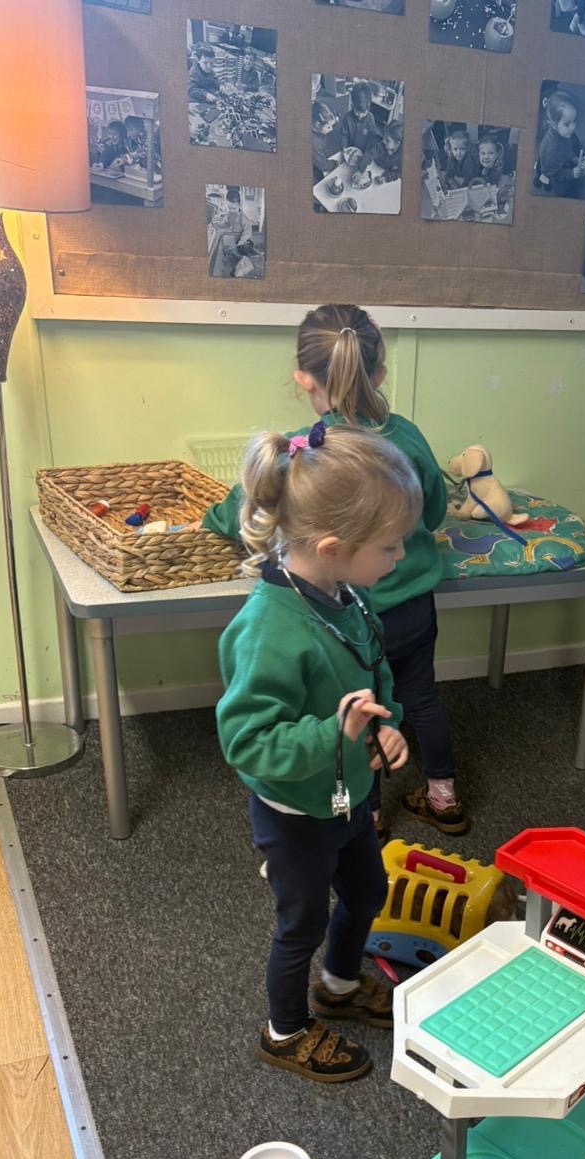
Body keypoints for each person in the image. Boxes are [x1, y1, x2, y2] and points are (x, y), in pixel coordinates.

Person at [202, 305, 467, 835]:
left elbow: (240, 508)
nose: (395, 555)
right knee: (417, 697)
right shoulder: (401, 437)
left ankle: (367, 813)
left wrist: (207, 520)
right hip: (414, 609)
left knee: (360, 700)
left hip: (363, 614)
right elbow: (435, 510)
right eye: (388, 546)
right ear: (380, 373)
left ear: (304, 379)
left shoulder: (307, 453)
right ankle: (441, 795)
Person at [216, 422, 422, 1082]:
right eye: (390, 546)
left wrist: (385, 728)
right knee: (300, 924)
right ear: (333, 547)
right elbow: (247, 742)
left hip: (348, 797)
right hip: (295, 814)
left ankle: (338, 986)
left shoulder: (347, 595)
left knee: (367, 891)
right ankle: (285, 1030)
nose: (400, 556)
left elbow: (373, 673)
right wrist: (334, 734)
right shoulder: (267, 630)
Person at [534, 90, 585, 197]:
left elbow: (567, 148)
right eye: (567, 124)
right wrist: (572, 174)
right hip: (555, 175)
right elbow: (555, 175)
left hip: (558, 162)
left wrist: (574, 158)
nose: (573, 127)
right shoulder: (551, 150)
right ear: (553, 124)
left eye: (574, 121)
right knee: (568, 192)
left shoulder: (563, 134)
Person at [339, 82, 379, 172]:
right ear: (352, 105)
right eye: (357, 112)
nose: (360, 116)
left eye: (364, 113)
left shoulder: (370, 118)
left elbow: (372, 139)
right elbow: (343, 134)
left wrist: (366, 154)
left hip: (364, 152)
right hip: (350, 150)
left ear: (369, 107)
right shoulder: (347, 117)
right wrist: (344, 147)